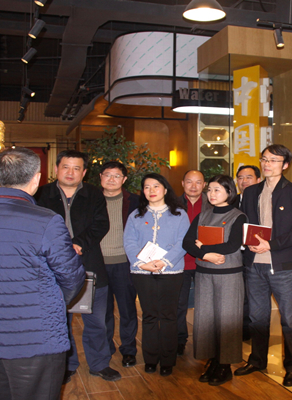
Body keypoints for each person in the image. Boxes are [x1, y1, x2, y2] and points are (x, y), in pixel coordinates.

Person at [0, 148, 85, 400]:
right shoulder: (46, 220)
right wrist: (51, 303)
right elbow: (72, 276)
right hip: (37, 337)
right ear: (36, 179)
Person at [35, 150, 118, 383]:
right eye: (65, 167)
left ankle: (99, 364)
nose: (70, 172)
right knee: (60, 321)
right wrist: (61, 247)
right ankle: (66, 365)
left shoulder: (94, 194)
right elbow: (36, 227)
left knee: (96, 321)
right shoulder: (41, 194)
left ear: (84, 172)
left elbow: (101, 224)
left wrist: (78, 243)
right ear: (56, 169)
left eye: (76, 168)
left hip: (89, 264)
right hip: (52, 267)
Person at [234, 144, 292, 388]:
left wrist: (271, 244)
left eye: (274, 160)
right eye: (264, 159)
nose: (267, 164)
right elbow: (244, 223)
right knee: (257, 317)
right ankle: (257, 360)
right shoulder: (250, 192)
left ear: (285, 165)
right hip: (253, 265)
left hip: (282, 266)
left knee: (290, 320)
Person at [182, 175, 248, 386]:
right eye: (209, 190)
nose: (211, 194)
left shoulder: (238, 216)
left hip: (229, 275)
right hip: (204, 274)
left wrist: (203, 248)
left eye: (217, 190)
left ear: (229, 192)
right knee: (205, 319)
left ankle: (225, 365)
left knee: (227, 320)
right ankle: (212, 359)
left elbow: (232, 245)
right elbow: (187, 243)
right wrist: (205, 255)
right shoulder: (202, 215)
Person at [123, 173, 190, 377]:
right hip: (142, 271)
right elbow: (129, 242)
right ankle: (151, 359)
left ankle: (168, 360)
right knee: (149, 315)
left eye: (156, 186)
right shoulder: (136, 215)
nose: (151, 191)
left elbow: (183, 242)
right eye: (147, 187)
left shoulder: (179, 214)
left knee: (169, 316)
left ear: (165, 189)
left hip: (171, 270)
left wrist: (164, 261)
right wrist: (142, 263)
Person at [99, 161, 140, 368]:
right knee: (102, 311)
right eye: (107, 175)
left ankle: (129, 350)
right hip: (98, 263)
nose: (111, 179)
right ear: (100, 177)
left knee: (127, 309)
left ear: (124, 179)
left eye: (117, 176)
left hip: (124, 263)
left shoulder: (135, 202)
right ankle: (106, 348)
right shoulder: (91, 200)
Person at [176, 170, 212, 356]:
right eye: (189, 181)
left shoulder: (212, 204)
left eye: (198, 182)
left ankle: (205, 341)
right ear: (183, 183)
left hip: (204, 262)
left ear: (204, 185)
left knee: (206, 305)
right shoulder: (172, 204)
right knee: (178, 305)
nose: (193, 186)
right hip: (179, 262)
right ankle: (179, 340)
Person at [234, 165, 262, 340]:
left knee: (255, 295)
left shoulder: (264, 200)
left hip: (258, 254)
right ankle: (242, 331)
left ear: (258, 180)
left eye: (248, 177)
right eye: (240, 178)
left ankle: (253, 331)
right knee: (239, 294)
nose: (244, 181)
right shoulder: (231, 200)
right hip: (235, 255)